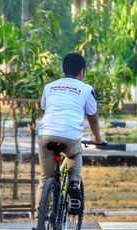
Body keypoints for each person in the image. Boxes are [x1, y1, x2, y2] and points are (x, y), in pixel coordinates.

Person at [35, 53, 103, 216]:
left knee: (45, 178)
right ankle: (74, 186)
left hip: (46, 135)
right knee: (75, 154)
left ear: (63, 70)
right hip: (70, 136)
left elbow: (44, 113)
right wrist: (98, 140)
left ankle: (39, 219)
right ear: (82, 71)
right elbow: (93, 118)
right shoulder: (87, 90)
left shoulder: (49, 87)